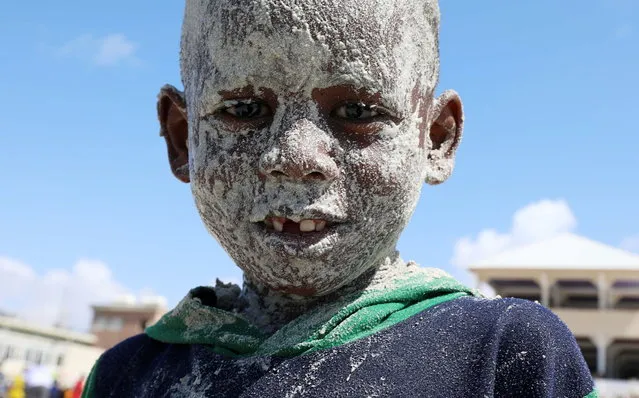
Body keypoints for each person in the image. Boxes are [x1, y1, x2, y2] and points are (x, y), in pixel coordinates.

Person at [82, 0, 597, 396]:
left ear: (434, 139)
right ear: (181, 137)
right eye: (244, 109)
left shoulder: (505, 353)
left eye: (355, 111)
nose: (294, 156)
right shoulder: (129, 374)